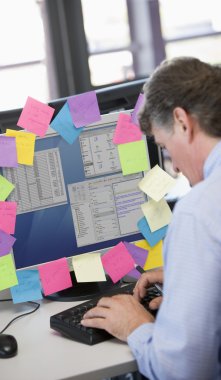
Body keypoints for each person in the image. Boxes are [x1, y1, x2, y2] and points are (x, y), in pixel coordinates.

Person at [81, 57, 221, 380]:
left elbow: (181, 372)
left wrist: (135, 326)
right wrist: (190, 277)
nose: (173, 168)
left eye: (166, 147)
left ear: (183, 122)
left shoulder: (198, 212)